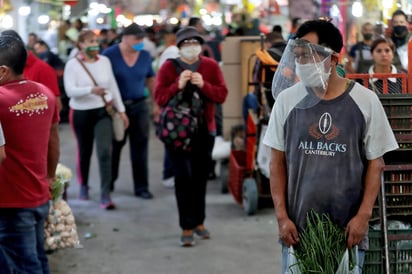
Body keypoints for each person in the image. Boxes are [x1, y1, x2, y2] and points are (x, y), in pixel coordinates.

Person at [262, 19, 398, 273]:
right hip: (298, 235)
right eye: (299, 56)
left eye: (309, 56)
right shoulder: (287, 101)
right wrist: (282, 217)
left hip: (348, 234)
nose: (302, 64)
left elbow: (376, 164)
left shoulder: (365, 101)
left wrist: (363, 217)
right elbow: (276, 162)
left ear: (334, 58)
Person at [154, 26, 228, 246]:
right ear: (178, 47)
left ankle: (199, 221)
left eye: (194, 43)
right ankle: (186, 226)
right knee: (183, 178)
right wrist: (178, 85)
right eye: (186, 44)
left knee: (199, 177)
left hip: (205, 130)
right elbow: (159, 97)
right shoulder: (169, 67)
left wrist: (203, 85)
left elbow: (222, 95)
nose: (190, 47)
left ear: (201, 45)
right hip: (177, 132)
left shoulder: (210, 66)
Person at [0, 31, 60, 273]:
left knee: (23, 266)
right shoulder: (44, 94)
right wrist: (50, 176)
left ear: (3, 70)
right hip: (38, 193)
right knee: (37, 259)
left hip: (10, 200)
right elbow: (53, 141)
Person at [64, 30, 128, 209]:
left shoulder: (105, 62)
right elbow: (70, 91)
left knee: (104, 152)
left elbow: (113, 86)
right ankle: (83, 185)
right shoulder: (73, 65)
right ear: (81, 44)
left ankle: (105, 193)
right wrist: (90, 90)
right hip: (81, 112)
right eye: (90, 41)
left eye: (96, 41)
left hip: (102, 111)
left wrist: (121, 110)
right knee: (84, 151)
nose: (95, 44)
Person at [102, 23, 156, 199]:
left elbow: (151, 80)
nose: (141, 42)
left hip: (140, 106)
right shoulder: (109, 55)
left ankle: (141, 187)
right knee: (115, 146)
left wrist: (156, 104)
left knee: (140, 148)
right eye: (137, 39)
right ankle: (108, 183)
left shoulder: (145, 56)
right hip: (117, 108)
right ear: (125, 38)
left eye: (142, 38)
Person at [157, 27, 180, 189]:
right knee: (172, 140)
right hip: (172, 106)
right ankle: (168, 174)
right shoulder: (172, 53)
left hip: (181, 106)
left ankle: (173, 173)